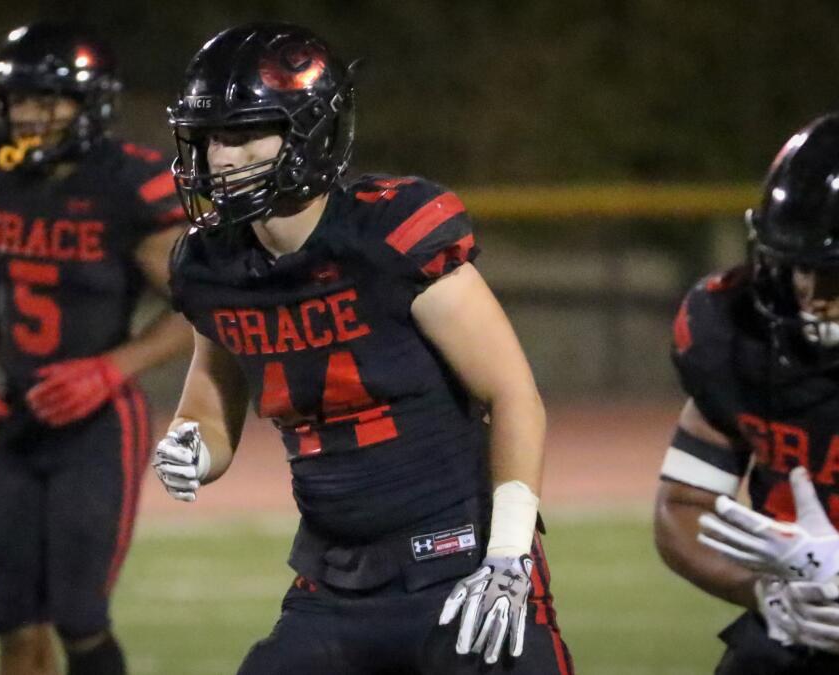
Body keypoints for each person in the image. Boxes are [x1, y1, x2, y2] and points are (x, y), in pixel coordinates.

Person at [152, 22, 573, 674]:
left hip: (459, 563)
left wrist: (509, 552)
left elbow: (512, 392)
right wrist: (190, 449)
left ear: (306, 131)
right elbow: (209, 410)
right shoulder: (212, 266)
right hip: (334, 580)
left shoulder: (391, 235)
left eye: (241, 135)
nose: (218, 159)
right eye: (209, 138)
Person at [0, 20, 190, 675]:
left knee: (80, 617)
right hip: (20, 418)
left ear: (89, 105)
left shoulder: (126, 187)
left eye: (47, 100)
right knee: (11, 617)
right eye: (19, 99)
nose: (28, 115)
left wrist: (113, 367)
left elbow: (204, 306)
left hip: (97, 426)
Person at [654, 109, 839, 674]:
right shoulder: (742, 337)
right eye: (796, 265)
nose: (810, 294)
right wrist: (766, 594)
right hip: (801, 635)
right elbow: (683, 506)